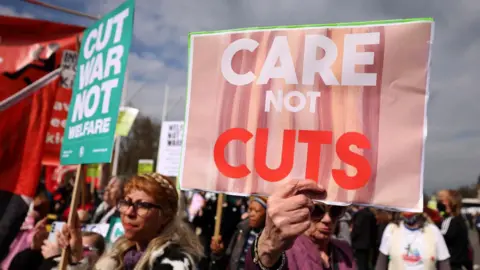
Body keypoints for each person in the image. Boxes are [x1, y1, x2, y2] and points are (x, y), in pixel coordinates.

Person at [56, 173, 203, 269]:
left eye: (143, 205)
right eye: (126, 202)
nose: (129, 212)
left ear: (166, 215)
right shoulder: (116, 258)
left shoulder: (174, 263)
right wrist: (75, 255)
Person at [245, 179, 355, 270]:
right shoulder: (286, 247)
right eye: (317, 210)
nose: (327, 219)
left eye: (335, 211)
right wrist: (269, 246)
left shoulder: (344, 249)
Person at [375, 211, 450, 270]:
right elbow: (381, 264)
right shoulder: (391, 229)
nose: (409, 213)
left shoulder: (433, 231)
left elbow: (444, 264)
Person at [210, 196, 267, 270]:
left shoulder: (269, 237)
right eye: (250, 209)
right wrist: (218, 253)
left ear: (266, 214)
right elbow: (228, 259)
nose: (251, 214)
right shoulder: (241, 230)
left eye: (256, 211)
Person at [439, 190, 472, 270]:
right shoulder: (460, 220)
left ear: (452, 202)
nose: (440, 204)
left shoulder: (451, 221)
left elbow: (439, 241)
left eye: (443, 201)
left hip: (451, 264)